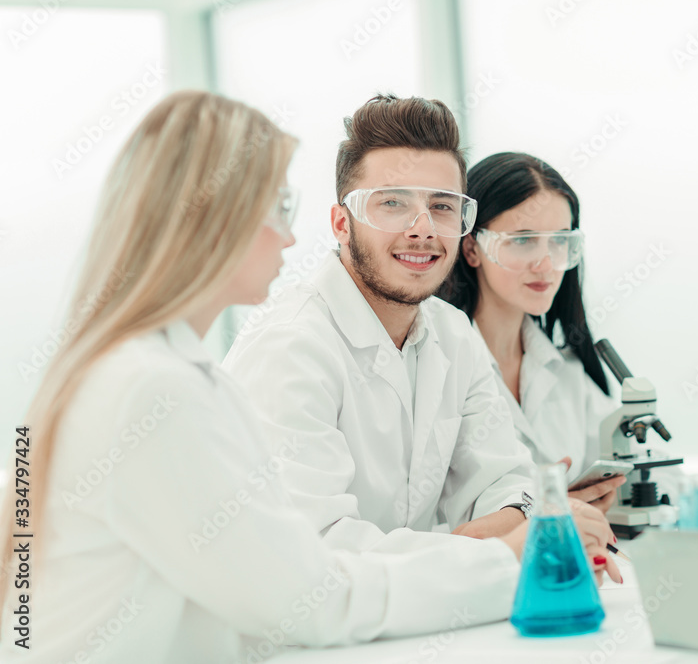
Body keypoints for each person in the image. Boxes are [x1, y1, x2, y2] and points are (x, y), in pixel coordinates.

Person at [0, 92, 618, 663]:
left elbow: (502, 485)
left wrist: (510, 533)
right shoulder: (164, 386)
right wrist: (509, 555)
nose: (289, 234)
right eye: (277, 206)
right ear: (210, 221)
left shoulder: (157, 372)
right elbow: (313, 587)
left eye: (441, 206)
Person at [223, 95, 620, 552]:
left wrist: (498, 535)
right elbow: (321, 555)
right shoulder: (290, 348)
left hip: (425, 616)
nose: (423, 228)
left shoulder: (452, 335)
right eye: (392, 203)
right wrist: (501, 547)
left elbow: (511, 484)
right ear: (341, 224)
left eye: (443, 206)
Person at [439, 152, 623, 512]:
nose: (546, 264)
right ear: (472, 248)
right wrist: (541, 509)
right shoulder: (440, 365)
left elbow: (649, 472)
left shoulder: (566, 372)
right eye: (523, 240)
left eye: (559, 241)